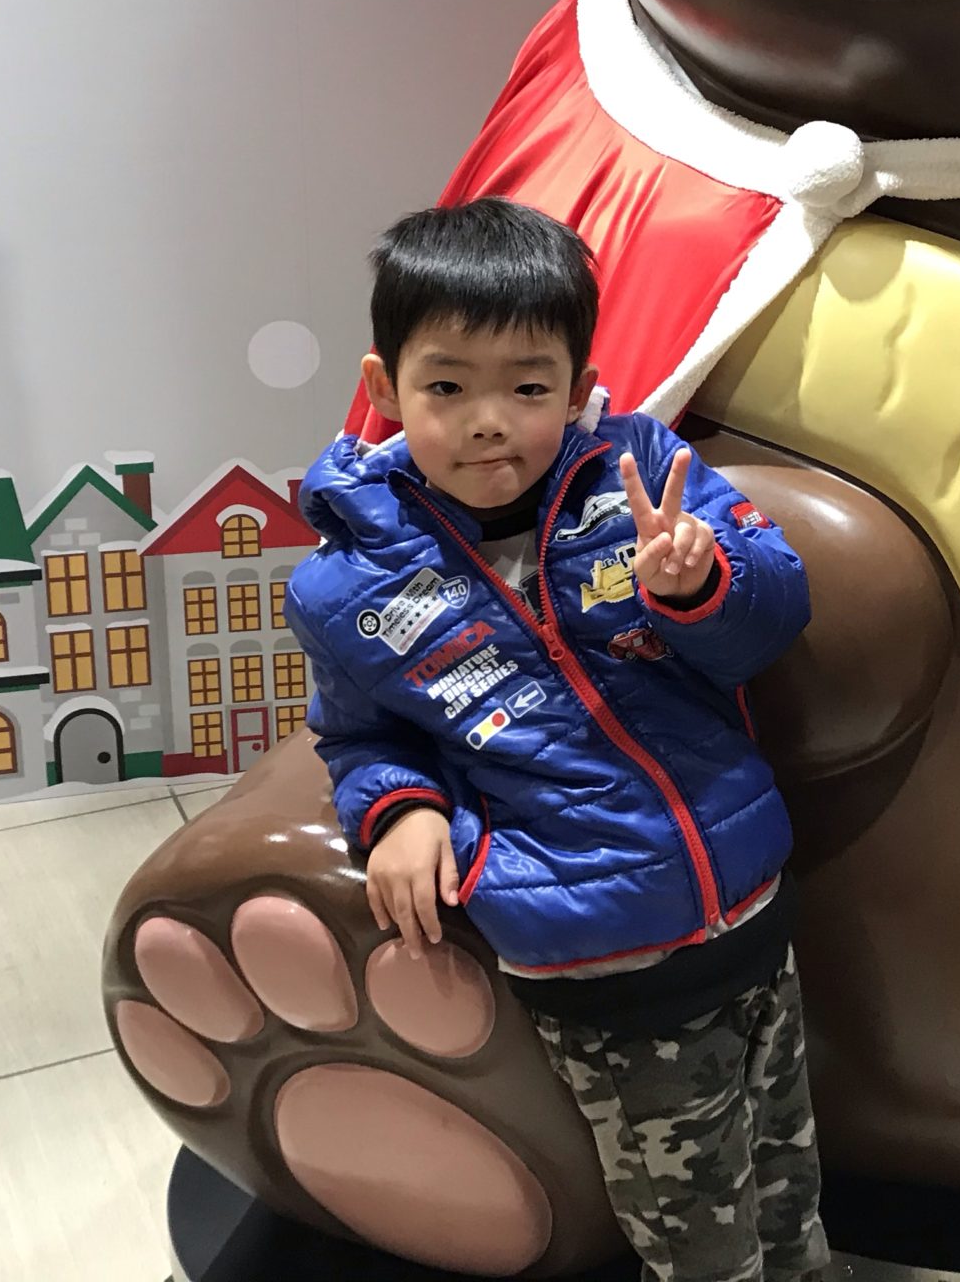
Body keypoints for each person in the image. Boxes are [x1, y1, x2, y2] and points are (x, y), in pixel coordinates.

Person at [287, 196, 827, 1282]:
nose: (489, 421)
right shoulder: (345, 584)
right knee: (699, 1245)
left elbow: (775, 615)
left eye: (529, 388)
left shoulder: (646, 475)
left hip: (752, 910)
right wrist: (399, 810)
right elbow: (358, 738)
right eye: (447, 387)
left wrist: (697, 585)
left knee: (790, 1190)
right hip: (599, 958)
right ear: (384, 388)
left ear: (579, 388)